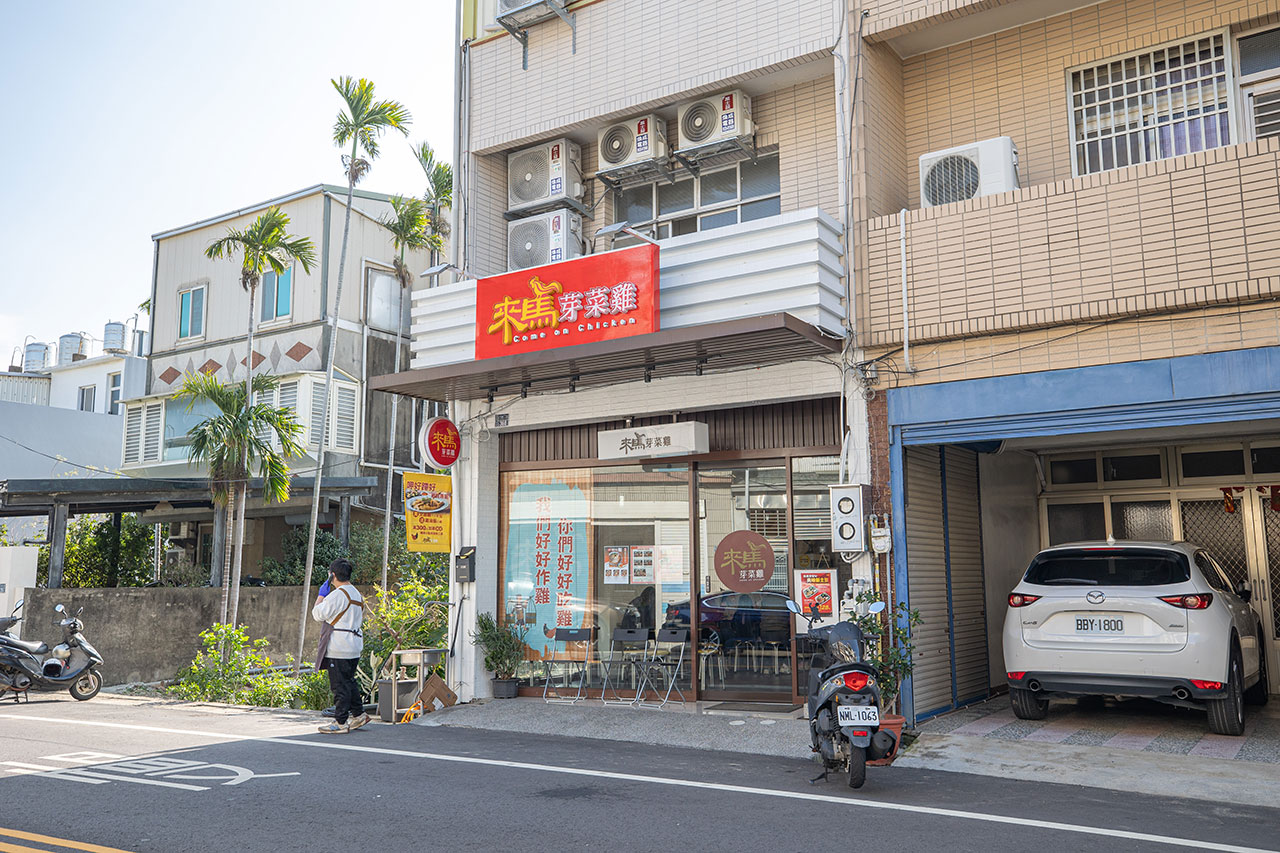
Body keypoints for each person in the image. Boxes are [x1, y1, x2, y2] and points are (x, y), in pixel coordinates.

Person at [312, 558, 369, 734]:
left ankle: (340, 721)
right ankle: (359, 714)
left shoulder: (337, 595)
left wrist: (321, 595)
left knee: (339, 685)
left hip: (339, 646)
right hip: (354, 645)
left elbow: (317, 614)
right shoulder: (356, 594)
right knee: (349, 681)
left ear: (332, 575)